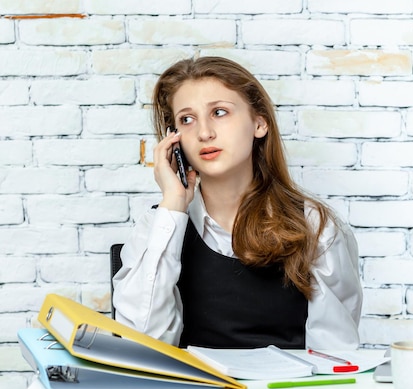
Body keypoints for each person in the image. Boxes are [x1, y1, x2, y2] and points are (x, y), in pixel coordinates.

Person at [112, 56, 362, 350]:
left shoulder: (314, 226)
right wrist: (174, 204)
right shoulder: (159, 225)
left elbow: (335, 356)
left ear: (259, 123)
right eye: (186, 120)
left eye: (219, 112)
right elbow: (143, 348)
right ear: (174, 140)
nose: (204, 133)